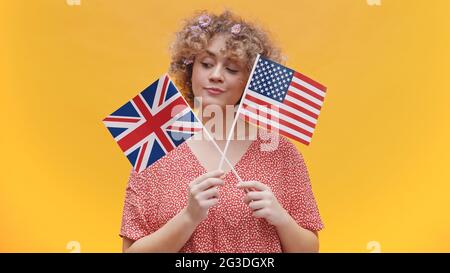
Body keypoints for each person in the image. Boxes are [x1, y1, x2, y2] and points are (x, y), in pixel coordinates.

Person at [120, 10, 323, 253]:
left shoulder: (282, 153)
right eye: (206, 64)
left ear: (249, 80)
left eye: (232, 69)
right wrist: (188, 216)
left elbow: (310, 250)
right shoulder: (156, 145)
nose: (216, 76)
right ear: (190, 68)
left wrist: (281, 219)